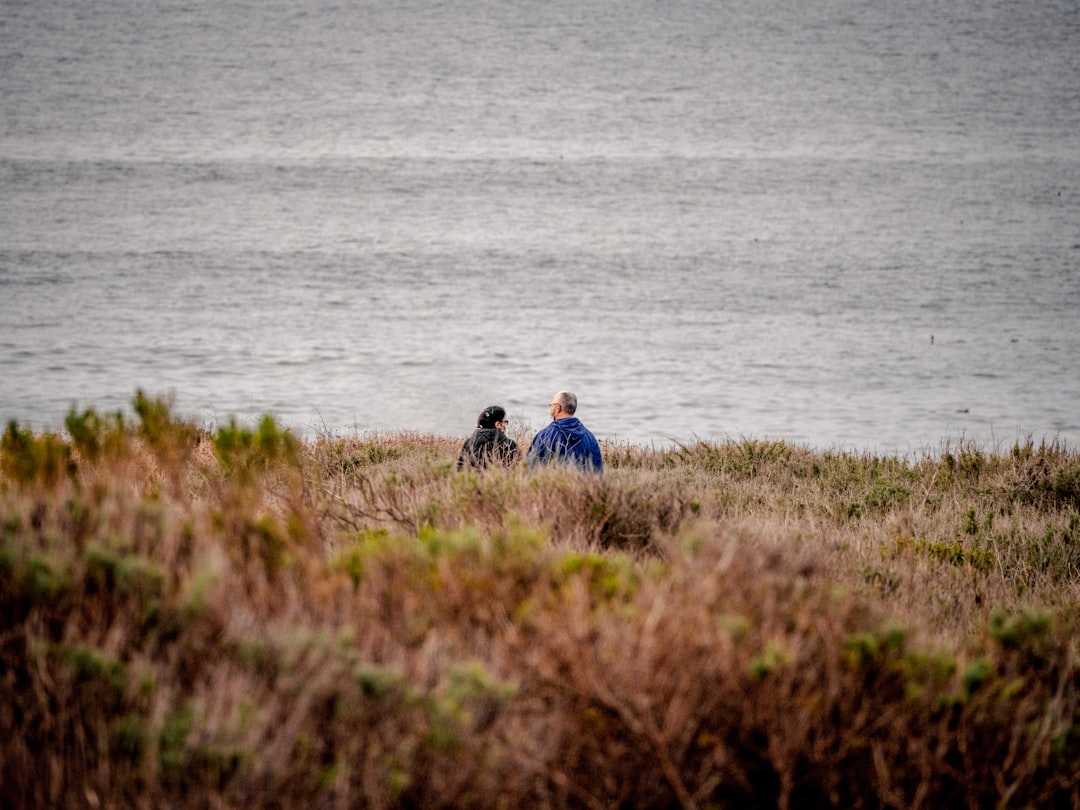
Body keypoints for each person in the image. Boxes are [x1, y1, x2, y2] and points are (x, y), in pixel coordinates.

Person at [527, 391, 603, 473]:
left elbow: (531, 467)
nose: (550, 408)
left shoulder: (545, 436)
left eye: (551, 405)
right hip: (585, 485)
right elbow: (598, 470)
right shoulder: (590, 437)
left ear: (557, 408)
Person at [456, 405, 520, 470]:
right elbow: (520, 470)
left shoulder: (468, 443)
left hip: (472, 479)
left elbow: (459, 470)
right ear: (497, 424)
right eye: (505, 422)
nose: (505, 426)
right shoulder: (510, 445)